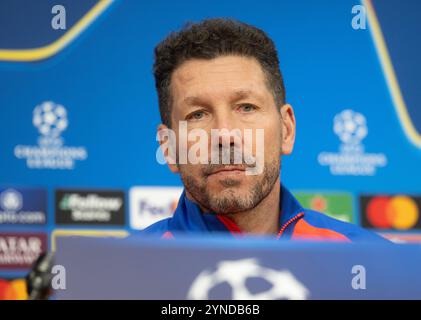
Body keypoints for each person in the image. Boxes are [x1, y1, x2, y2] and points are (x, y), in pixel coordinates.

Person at [144, 18, 387, 242]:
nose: (225, 135)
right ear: (168, 147)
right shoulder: (119, 275)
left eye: (246, 107)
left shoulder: (378, 265)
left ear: (287, 129)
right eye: (198, 114)